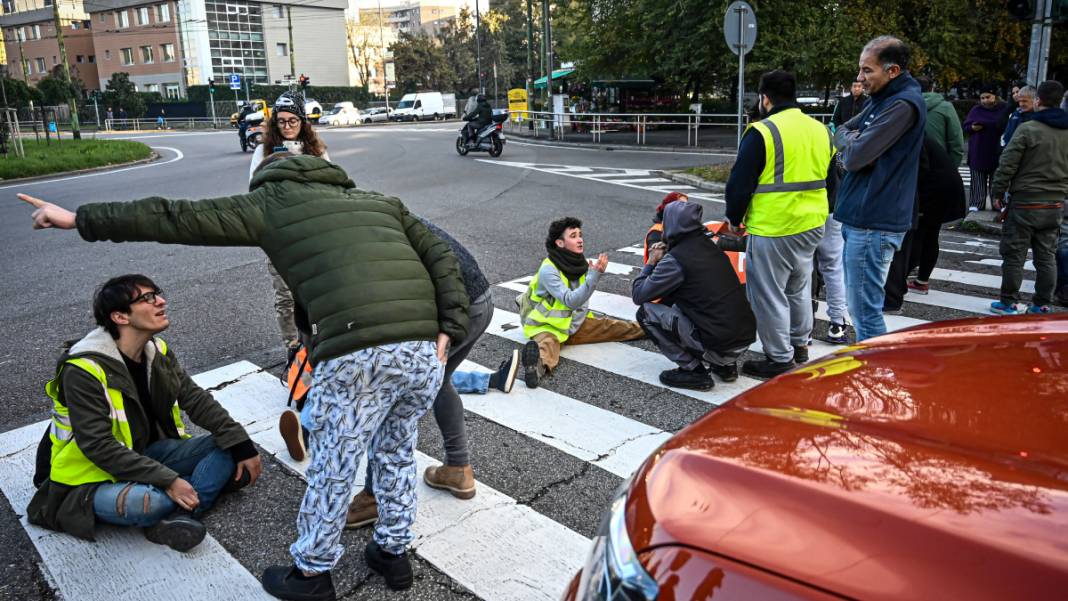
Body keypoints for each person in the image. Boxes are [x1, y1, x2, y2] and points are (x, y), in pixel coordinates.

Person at [19, 151, 470, 599]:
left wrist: (78, 219)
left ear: (266, 179)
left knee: (335, 464)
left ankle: (311, 575)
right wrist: (451, 324)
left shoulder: (270, 202)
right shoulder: (381, 202)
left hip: (356, 353)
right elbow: (442, 257)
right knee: (395, 451)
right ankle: (393, 554)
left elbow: (174, 217)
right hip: (421, 351)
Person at [26, 275, 261, 553]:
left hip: (143, 454)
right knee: (152, 502)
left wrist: (242, 444)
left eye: (157, 294)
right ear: (120, 316)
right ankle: (189, 497)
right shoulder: (83, 369)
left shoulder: (156, 350)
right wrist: (169, 480)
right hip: (88, 478)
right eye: (147, 299)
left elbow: (195, 399)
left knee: (231, 446)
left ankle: (183, 516)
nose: (161, 301)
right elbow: (98, 446)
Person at [724, 70, 834, 378]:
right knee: (799, 286)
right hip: (812, 223)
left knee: (768, 293)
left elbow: (739, 183)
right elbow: (833, 176)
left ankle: (779, 358)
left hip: (774, 226)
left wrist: (734, 218)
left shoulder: (762, 131)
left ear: (765, 98)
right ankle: (800, 345)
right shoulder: (820, 129)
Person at [833, 36, 926, 342]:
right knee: (860, 307)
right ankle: (869, 376)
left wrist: (851, 148)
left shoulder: (901, 104)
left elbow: (856, 156)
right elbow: (842, 129)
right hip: (864, 216)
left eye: (867, 70)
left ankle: (872, 378)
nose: (860, 78)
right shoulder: (883, 99)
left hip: (874, 221)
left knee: (864, 311)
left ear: (892, 71)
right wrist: (852, 143)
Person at [632, 201, 756, 390]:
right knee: (688, 300)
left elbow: (639, 294)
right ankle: (726, 367)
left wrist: (652, 261)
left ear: (673, 224)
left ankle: (693, 371)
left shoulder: (676, 260)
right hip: (743, 338)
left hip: (721, 346)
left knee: (646, 313)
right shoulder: (709, 246)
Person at [247, 92, 330, 352]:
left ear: (303, 122)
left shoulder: (316, 150)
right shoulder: (264, 150)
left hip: (312, 234)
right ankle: (292, 348)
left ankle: (316, 343)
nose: (287, 126)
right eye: (281, 121)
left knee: (314, 295)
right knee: (285, 296)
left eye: (292, 121)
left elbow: (332, 185)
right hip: (279, 236)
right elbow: (254, 190)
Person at [520, 217, 644, 388]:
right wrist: (594, 276)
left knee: (615, 327)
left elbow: (581, 302)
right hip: (546, 325)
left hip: (574, 324)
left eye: (580, 235)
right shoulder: (548, 269)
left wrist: (583, 322)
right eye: (573, 236)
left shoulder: (580, 264)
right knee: (547, 347)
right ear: (560, 243)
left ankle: (653, 328)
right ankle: (535, 369)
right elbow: (570, 301)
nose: (580, 239)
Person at [989, 80, 1068, 315]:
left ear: (1038, 101)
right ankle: (1041, 304)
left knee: (1014, 254)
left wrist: (997, 191)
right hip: (1055, 203)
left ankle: (1008, 302)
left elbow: (1007, 163)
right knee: (1046, 255)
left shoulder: (1028, 129)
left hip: (1025, 200)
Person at [883, 136, 967, 312]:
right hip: (942, 189)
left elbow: (920, 171)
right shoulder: (917, 134)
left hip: (933, 193)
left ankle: (897, 288)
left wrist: (917, 205)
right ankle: (918, 282)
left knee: (914, 240)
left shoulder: (908, 138)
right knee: (927, 236)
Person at [962, 85, 1007, 211]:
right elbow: (966, 126)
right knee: (977, 179)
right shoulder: (976, 110)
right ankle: (976, 203)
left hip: (996, 150)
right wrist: (972, 128)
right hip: (978, 150)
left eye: (988, 97)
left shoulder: (1003, 109)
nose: (985, 100)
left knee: (997, 180)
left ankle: (998, 204)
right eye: (982, 98)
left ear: (995, 96)